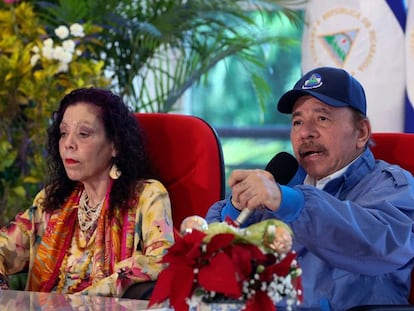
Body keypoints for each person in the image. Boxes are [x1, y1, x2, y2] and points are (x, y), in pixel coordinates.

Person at [206, 67, 414, 310]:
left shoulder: (391, 185)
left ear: (361, 132)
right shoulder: (284, 185)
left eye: (322, 118)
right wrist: (234, 209)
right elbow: (212, 261)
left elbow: (379, 245)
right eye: (297, 121)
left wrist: (293, 204)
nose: (305, 133)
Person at [0, 87, 175, 298]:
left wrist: (93, 294)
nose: (68, 144)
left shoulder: (147, 196)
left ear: (115, 145)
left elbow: (162, 261)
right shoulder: (51, 201)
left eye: (83, 134)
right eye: (63, 133)